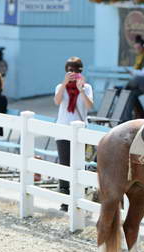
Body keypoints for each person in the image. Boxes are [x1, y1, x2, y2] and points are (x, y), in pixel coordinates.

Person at [54, 56, 94, 211]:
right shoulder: (60, 87)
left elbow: (89, 106)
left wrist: (81, 90)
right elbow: (57, 101)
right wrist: (65, 84)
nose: (73, 73)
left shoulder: (87, 87)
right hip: (63, 130)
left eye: (76, 70)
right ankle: (65, 200)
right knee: (65, 164)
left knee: (78, 164)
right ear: (66, 71)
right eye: (70, 70)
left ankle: (78, 198)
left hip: (81, 131)